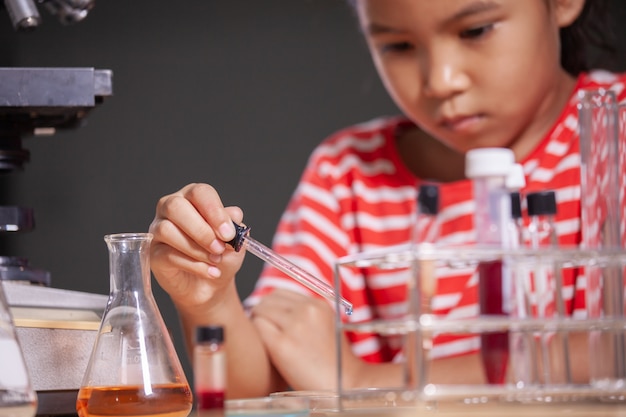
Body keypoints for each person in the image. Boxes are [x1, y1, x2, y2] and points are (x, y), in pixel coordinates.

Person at [149, 0, 626, 398]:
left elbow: (613, 357)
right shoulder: (348, 173)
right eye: (398, 45)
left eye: (476, 29)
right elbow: (264, 391)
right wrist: (209, 302)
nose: (441, 80)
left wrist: (363, 382)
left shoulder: (615, 133)